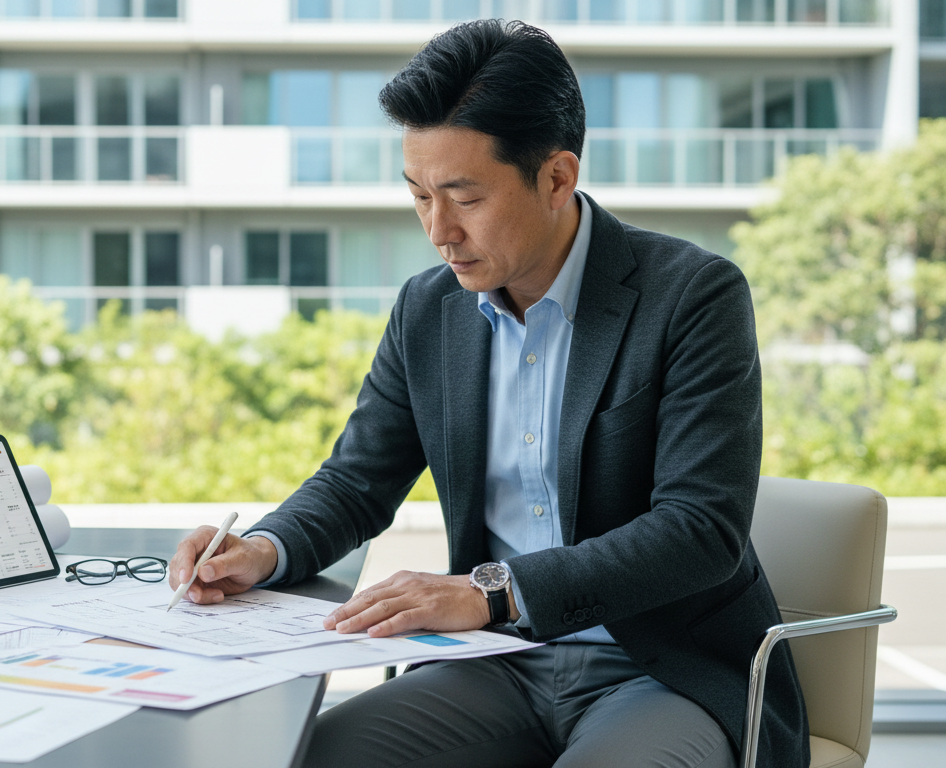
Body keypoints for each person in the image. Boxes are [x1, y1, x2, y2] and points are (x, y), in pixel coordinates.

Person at [167, 19, 807, 768]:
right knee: (320, 756)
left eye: (465, 199)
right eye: (419, 197)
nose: (439, 231)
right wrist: (264, 549)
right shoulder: (429, 309)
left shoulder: (692, 296)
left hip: (660, 669)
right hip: (493, 661)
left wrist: (491, 591)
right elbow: (357, 481)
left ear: (557, 178)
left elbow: (700, 530)